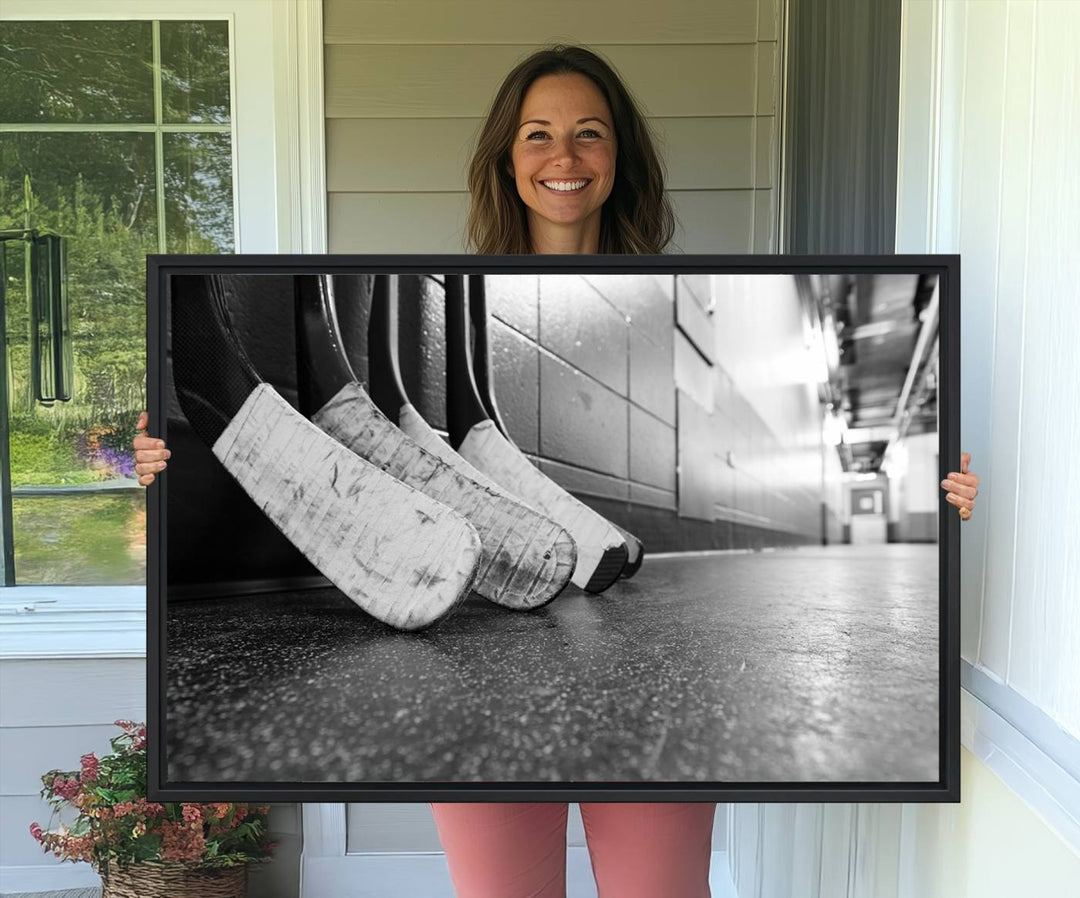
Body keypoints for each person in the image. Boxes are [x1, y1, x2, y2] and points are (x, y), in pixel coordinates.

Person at [134, 44, 980, 898]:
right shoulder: (453, 274)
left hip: (647, 700)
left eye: (589, 135)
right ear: (508, 159)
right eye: (537, 135)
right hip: (478, 698)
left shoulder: (686, 277)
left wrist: (948, 497)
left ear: (620, 160)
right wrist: (151, 471)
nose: (563, 158)